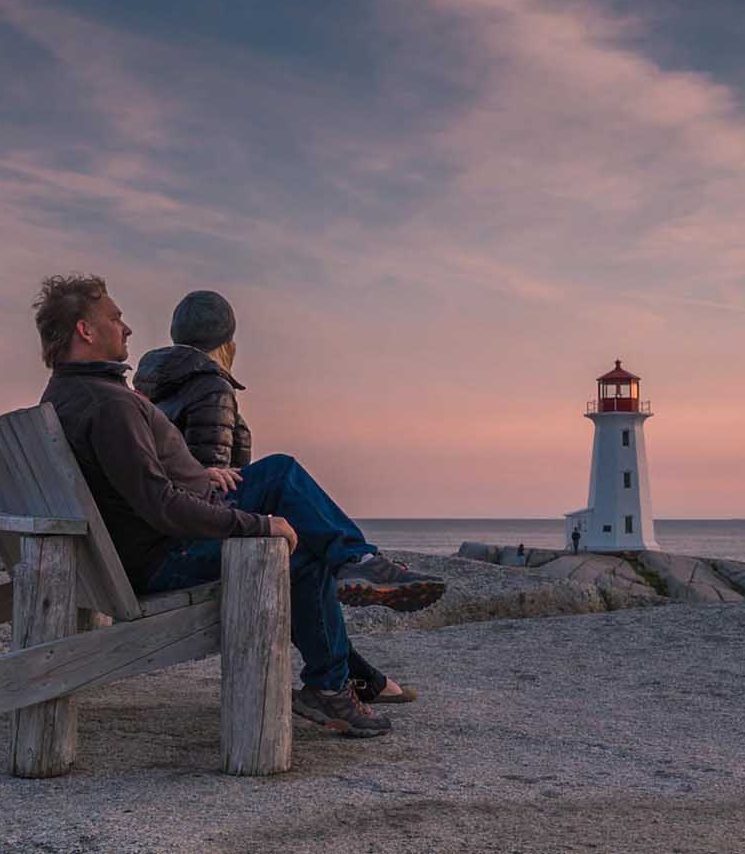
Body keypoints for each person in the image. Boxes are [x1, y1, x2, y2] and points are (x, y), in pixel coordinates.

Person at [33, 274, 444, 738]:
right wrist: (257, 524)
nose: (126, 328)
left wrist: (197, 473)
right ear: (85, 331)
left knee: (279, 472)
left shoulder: (69, 395)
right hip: (165, 554)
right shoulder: (109, 405)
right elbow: (161, 507)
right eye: (115, 317)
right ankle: (332, 674)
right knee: (301, 550)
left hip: (148, 539)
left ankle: (357, 565)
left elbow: (133, 482)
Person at [135, 290, 422, 705]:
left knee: (302, 547)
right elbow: (210, 492)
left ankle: (353, 674)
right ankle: (355, 562)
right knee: (289, 500)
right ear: (228, 343)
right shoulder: (210, 385)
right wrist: (258, 518)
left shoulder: (148, 389)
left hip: (155, 537)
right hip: (178, 546)